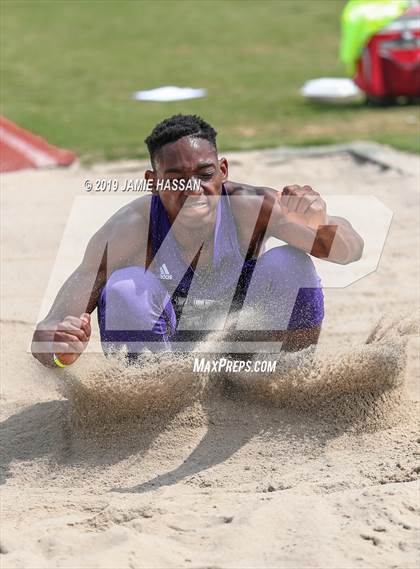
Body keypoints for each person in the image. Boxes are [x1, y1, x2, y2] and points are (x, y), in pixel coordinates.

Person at [31, 114, 364, 368]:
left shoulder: (253, 209)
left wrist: (324, 221)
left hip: (247, 359)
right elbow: (47, 332)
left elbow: (350, 251)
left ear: (223, 170)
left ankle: (288, 381)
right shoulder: (128, 230)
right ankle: (145, 405)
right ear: (153, 181)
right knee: (124, 288)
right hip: (170, 370)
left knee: (290, 263)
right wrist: (61, 350)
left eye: (205, 175)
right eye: (175, 180)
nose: (193, 190)